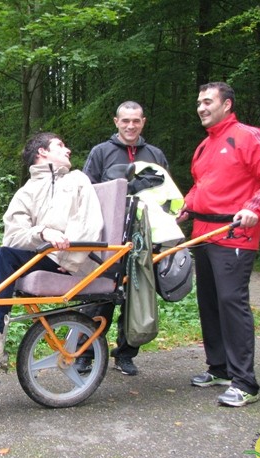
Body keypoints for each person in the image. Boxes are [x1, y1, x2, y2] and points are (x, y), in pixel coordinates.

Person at [0, 132, 104, 370]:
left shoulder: (77, 180)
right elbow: (13, 236)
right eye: (60, 145)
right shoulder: (26, 191)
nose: (67, 150)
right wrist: (41, 233)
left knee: (5, 256)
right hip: (42, 254)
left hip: (69, 259)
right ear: (42, 152)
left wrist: (69, 259)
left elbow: (89, 223)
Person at [180, 81, 260, 407]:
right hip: (201, 235)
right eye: (199, 102)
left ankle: (245, 382)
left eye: (208, 101)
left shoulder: (248, 136)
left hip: (235, 235)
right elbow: (201, 186)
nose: (201, 107)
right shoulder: (204, 146)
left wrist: (255, 208)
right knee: (209, 302)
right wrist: (185, 206)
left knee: (231, 302)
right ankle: (220, 368)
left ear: (227, 104)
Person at [81, 101, 169, 376]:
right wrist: (128, 188)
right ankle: (85, 353)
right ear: (116, 121)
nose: (131, 126)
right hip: (109, 241)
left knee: (136, 299)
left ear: (143, 122)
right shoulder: (101, 152)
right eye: (125, 121)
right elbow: (86, 193)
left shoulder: (155, 154)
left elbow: (169, 198)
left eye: (136, 121)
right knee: (101, 297)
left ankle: (126, 354)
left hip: (144, 241)